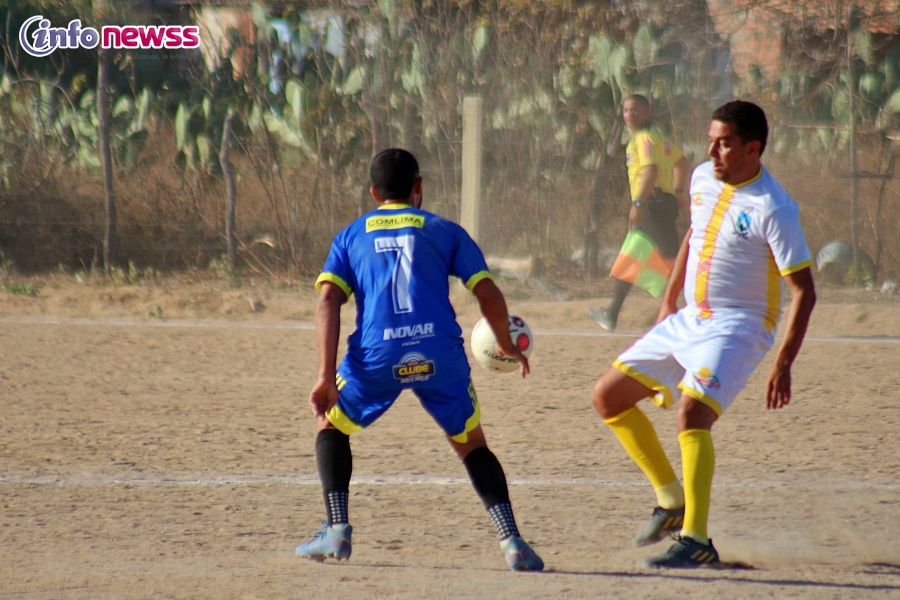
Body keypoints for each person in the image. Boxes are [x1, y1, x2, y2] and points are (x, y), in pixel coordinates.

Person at [294, 148, 544, 572]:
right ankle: (512, 540)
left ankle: (337, 529)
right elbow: (486, 292)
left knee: (330, 422)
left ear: (374, 192)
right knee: (470, 442)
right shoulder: (444, 230)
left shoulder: (351, 236)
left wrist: (324, 377)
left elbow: (328, 300)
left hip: (378, 355)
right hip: (439, 354)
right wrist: (505, 342)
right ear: (419, 189)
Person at [590, 100, 816, 568]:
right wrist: (668, 302)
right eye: (711, 139)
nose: (712, 150)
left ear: (753, 148)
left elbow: (804, 291)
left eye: (725, 142)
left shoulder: (774, 207)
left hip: (740, 325)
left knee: (692, 413)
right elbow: (694, 236)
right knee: (608, 397)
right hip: (690, 317)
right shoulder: (701, 177)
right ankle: (671, 501)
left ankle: (696, 539)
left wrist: (784, 363)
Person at [588, 94, 691, 332]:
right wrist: (677, 192)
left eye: (635, 109)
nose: (629, 114)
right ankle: (687, 308)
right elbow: (682, 162)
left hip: (652, 204)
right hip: (662, 203)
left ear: (647, 112)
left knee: (642, 255)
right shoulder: (658, 137)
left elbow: (650, 171)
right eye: (625, 110)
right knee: (665, 258)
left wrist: (638, 203)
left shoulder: (643, 139)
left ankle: (612, 314)